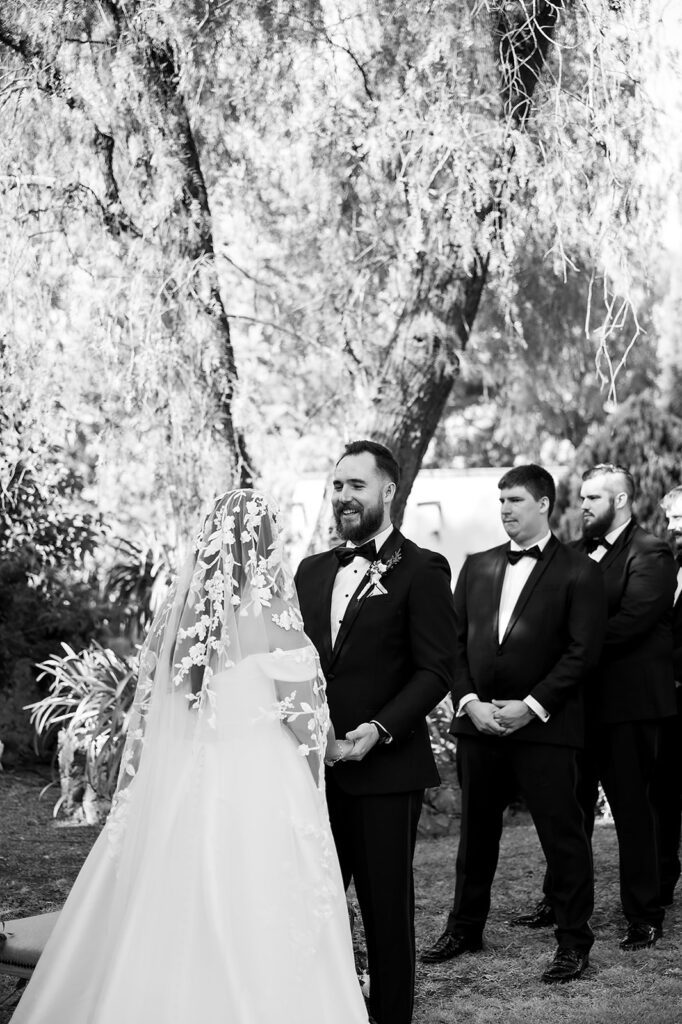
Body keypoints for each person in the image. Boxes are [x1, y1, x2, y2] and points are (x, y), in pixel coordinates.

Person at [12, 490, 370, 1024]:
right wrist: (339, 750)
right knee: (261, 908)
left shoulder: (185, 621)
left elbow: (170, 713)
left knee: (185, 901)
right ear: (263, 544)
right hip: (265, 790)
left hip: (195, 785)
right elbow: (308, 723)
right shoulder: (273, 617)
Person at [420, 464, 605, 983]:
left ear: (544, 504)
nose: (505, 510)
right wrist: (470, 701)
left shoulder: (578, 570)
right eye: (501, 502)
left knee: (562, 837)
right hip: (479, 724)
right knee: (475, 836)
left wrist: (531, 704)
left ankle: (573, 941)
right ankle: (464, 928)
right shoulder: (476, 566)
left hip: (545, 727)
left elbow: (582, 652)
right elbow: (453, 646)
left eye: (516, 501)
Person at [295, 440, 456, 1024]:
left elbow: (436, 669)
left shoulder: (422, 569)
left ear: (388, 491)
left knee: (386, 909)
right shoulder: (310, 572)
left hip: (386, 770)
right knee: (311, 905)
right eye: (337, 486)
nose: (343, 497)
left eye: (357, 486)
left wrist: (379, 728)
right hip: (311, 774)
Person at [512, 464, 677, 950]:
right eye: (580, 498)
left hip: (627, 707)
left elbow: (633, 621)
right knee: (569, 811)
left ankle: (644, 914)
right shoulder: (573, 555)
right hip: (574, 707)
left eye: (591, 498)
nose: (580, 506)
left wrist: (573, 646)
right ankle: (559, 902)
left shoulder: (652, 552)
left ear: (621, 501)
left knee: (632, 812)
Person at [653, 485, 682, 905]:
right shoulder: (671, 566)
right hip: (668, 702)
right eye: (670, 518)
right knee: (663, 792)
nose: (673, 527)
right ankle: (661, 880)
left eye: (679, 516)